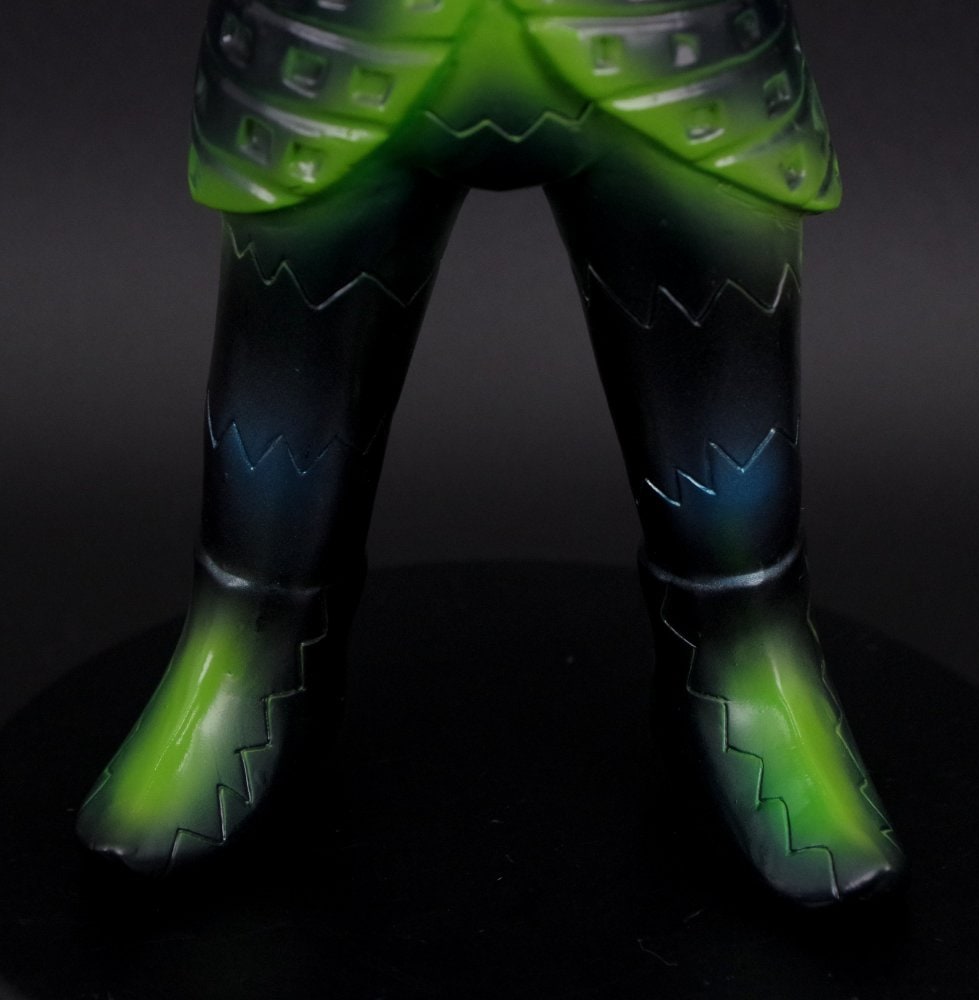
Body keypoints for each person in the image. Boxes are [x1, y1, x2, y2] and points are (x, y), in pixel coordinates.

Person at [76, 0, 905, 904]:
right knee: (281, 402)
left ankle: (748, 655)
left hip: (679, 46)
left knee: (724, 406)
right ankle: (250, 645)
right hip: (334, 40)